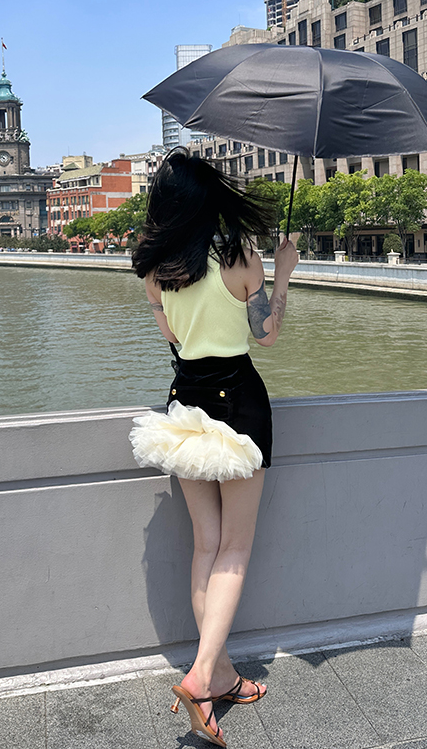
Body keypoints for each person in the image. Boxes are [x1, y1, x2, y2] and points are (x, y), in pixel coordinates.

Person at [131, 150, 299, 748]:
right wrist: (283, 274)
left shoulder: (155, 268)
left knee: (207, 543)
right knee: (235, 547)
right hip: (238, 405)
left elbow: (174, 337)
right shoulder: (239, 257)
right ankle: (202, 677)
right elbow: (266, 335)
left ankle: (218, 671)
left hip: (185, 404)